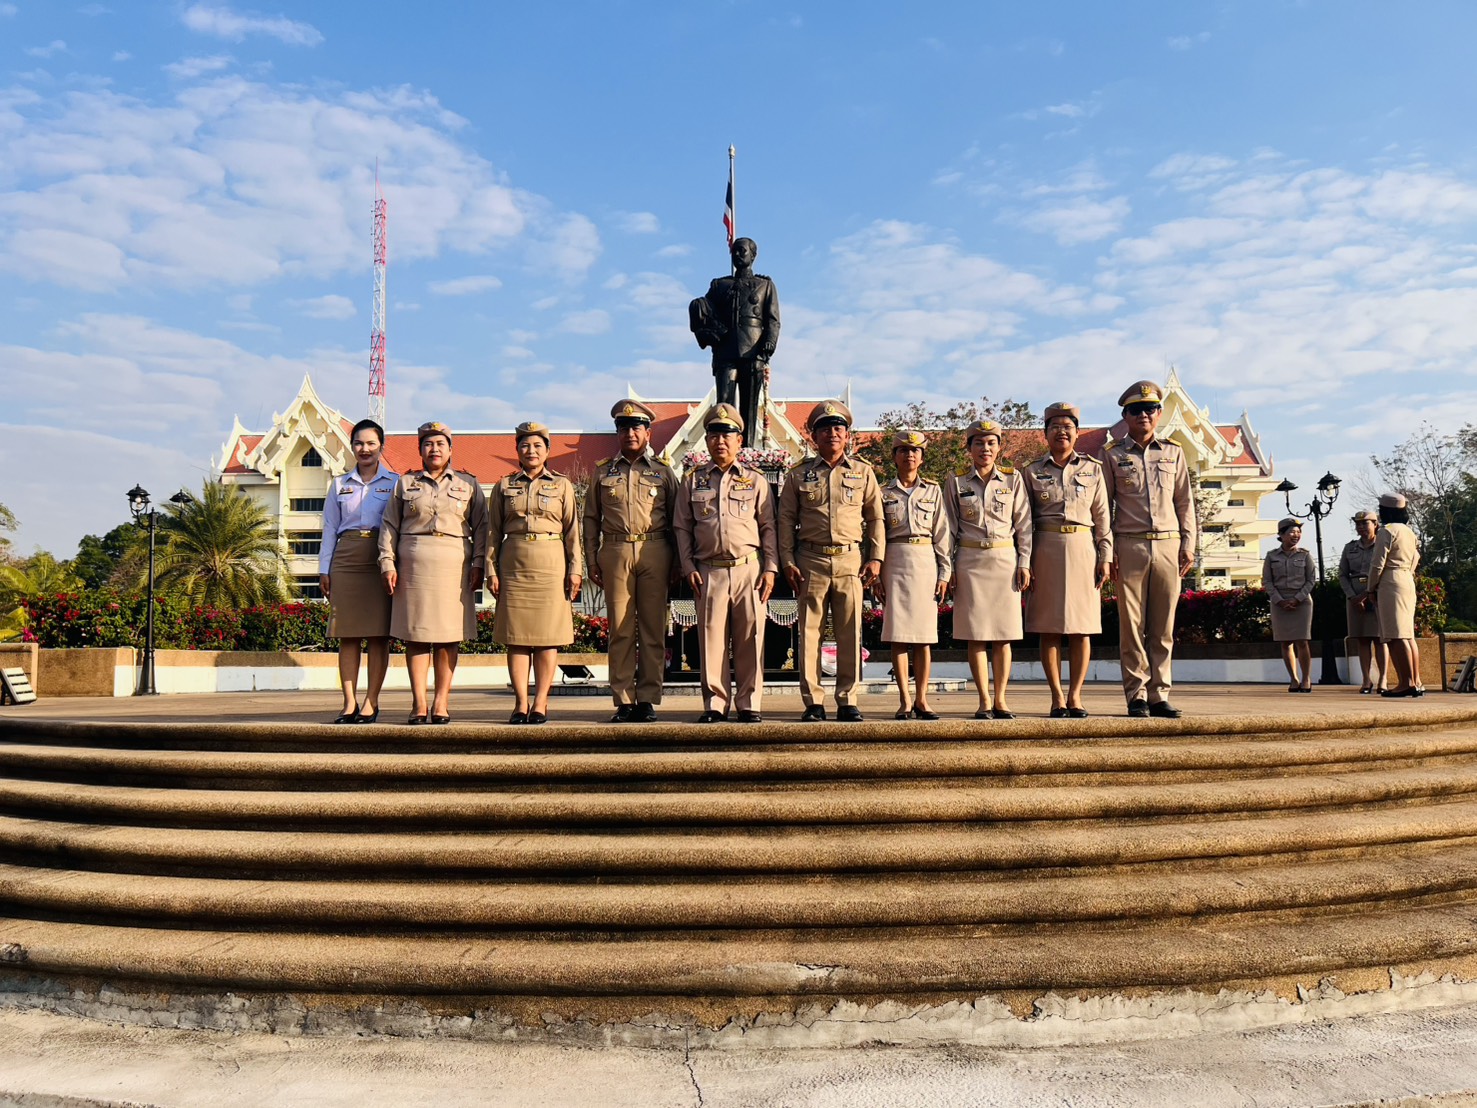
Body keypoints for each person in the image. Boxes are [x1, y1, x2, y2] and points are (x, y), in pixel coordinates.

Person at [777, 400, 884, 722]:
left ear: (847, 434)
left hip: (850, 559)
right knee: (810, 634)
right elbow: (785, 520)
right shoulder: (799, 475)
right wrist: (786, 560)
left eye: (838, 428)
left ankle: (848, 699)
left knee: (850, 633)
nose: (832, 434)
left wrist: (876, 558)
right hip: (810, 558)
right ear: (814, 436)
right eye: (825, 428)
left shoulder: (863, 472)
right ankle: (813, 701)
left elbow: (876, 518)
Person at [672, 403, 778, 723]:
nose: (721, 441)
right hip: (709, 570)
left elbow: (768, 526)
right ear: (706, 441)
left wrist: (771, 567)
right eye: (715, 434)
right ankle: (716, 702)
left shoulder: (755, 480)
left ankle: (749, 702)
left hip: (749, 568)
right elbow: (681, 526)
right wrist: (688, 566)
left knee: (750, 637)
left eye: (728, 434)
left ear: (739, 440)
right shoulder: (693, 481)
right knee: (711, 639)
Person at [377, 422, 488, 725]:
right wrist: (387, 563)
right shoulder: (405, 484)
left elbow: (481, 528)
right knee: (415, 636)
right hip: (412, 566)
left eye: (440, 444)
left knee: (448, 637)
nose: (434, 449)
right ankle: (419, 703)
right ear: (420, 450)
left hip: (454, 567)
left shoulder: (468, 484)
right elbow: (389, 526)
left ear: (450, 450)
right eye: (428, 444)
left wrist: (479, 563)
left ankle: (441, 702)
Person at [1099, 381, 1197, 719]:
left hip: (1169, 544)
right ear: (1125, 416)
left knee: (1163, 626)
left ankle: (1160, 693)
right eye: (1136, 410)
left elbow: (1185, 501)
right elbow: (1104, 508)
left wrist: (1189, 543)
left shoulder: (1173, 451)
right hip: (1130, 544)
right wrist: (1107, 552)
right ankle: (1136, 694)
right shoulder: (1112, 455)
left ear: (1158, 414)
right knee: (1131, 625)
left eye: (1150, 409)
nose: (1144, 415)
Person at [584, 400, 679, 723]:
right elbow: (590, 520)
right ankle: (624, 698)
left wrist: (678, 561)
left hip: (655, 550)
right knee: (621, 630)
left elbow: (677, 519)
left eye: (636, 427)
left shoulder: (664, 473)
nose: (629, 433)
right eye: (623, 428)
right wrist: (591, 560)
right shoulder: (602, 472)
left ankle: (648, 698)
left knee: (653, 629)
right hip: (616, 550)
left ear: (648, 432)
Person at [487, 422, 583, 724]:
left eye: (538, 446)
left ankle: (540, 702)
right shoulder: (504, 486)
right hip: (514, 561)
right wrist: (491, 569)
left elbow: (572, 532)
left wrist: (575, 570)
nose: (531, 451)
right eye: (525, 445)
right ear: (517, 450)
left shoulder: (562, 485)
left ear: (547, 451)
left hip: (551, 561)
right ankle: (520, 703)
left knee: (546, 638)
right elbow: (492, 532)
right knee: (516, 637)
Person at [1022, 403, 1111, 719]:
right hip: (1045, 547)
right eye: (1054, 426)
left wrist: (1105, 556)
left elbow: (1102, 516)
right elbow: (1023, 521)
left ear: (1077, 432)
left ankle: (1076, 695)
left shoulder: (1093, 469)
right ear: (1045, 433)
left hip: (1082, 548)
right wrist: (1025, 561)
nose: (1061, 431)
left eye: (1067, 426)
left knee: (1081, 628)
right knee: (1049, 628)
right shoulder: (1031, 472)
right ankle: (1057, 697)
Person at [944, 419, 1032, 720]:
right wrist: (949, 568)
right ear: (969, 448)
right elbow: (948, 530)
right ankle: (983, 699)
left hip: (1005, 560)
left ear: (998, 447)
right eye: (979, 443)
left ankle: (1001, 699)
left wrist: (1024, 562)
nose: (985, 448)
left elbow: (1024, 525)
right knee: (976, 636)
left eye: (991, 443)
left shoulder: (1012, 479)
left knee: (1004, 636)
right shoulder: (956, 482)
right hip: (970, 562)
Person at [319, 418, 397, 724]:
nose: (364, 449)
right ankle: (349, 703)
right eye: (359, 443)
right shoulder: (339, 485)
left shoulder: (395, 483)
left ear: (381, 446)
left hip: (380, 557)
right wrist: (324, 569)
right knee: (347, 635)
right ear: (352, 447)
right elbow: (329, 529)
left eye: (371, 443)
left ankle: (371, 702)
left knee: (379, 636)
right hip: (346, 558)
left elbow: (399, 528)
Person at [875, 430, 950, 720]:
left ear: (922, 457)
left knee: (923, 637)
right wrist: (877, 573)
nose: (910, 455)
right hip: (894, 560)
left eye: (915, 451)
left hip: (925, 560)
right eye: (903, 450)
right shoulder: (883, 492)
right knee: (898, 636)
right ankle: (905, 701)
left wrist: (944, 572)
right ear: (894, 456)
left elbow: (942, 534)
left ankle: (922, 699)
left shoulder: (932, 491)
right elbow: (876, 535)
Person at [688, 237, 781, 445]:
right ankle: (725, 444)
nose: (737, 254)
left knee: (749, 404)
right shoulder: (720, 285)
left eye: (742, 250)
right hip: (725, 350)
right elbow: (703, 309)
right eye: (734, 251)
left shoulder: (765, 285)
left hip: (753, 349)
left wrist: (770, 342)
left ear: (753, 255)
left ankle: (747, 448)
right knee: (724, 403)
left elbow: (773, 320)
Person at [1367, 493, 1423, 698]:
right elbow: (1416, 557)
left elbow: (1378, 563)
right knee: (1408, 635)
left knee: (1395, 634)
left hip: (1391, 580)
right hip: (1407, 578)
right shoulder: (1409, 532)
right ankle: (1415, 681)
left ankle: (1405, 682)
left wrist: (1371, 588)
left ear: (1384, 511)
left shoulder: (1387, 531)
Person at [1264, 517, 1315, 693]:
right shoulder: (1271, 556)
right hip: (1279, 603)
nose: (1296, 535)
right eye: (1292, 532)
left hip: (1302, 602)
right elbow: (1267, 582)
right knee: (1285, 643)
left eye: (1298, 532)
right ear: (1281, 535)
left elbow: (1311, 580)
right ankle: (1294, 679)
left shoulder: (1305, 554)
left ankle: (1307, 678)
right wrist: (1279, 600)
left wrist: (1297, 598)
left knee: (1302, 641)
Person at [1338, 509, 1386, 693]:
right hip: (1354, 596)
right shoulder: (1350, 548)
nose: (1361, 527)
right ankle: (1366, 680)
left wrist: (1368, 594)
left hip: (1376, 595)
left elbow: (1383, 571)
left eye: (1365, 523)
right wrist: (1352, 597)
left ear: (1375, 524)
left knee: (1380, 639)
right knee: (1362, 640)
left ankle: (1383, 679)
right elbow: (1342, 574)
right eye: (1358, 524)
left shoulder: (1382, 545)